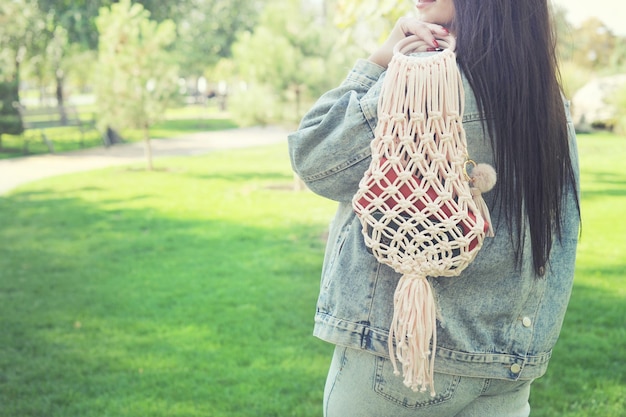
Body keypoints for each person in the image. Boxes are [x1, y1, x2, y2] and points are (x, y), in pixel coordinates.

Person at [288, 1, 580, 416]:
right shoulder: (545, 99)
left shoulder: (422, 82)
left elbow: (315, 156)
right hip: (508, 365)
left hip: (405, 359)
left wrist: (379, 59)